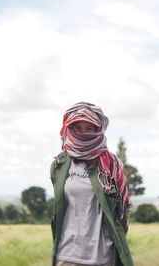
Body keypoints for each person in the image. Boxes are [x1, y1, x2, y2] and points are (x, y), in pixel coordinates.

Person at [50, 102, 134, 266]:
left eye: (89, 128)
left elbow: (123, 210)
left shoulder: (111, 164)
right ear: (70, 128)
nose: (83, 132)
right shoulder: (59, 164)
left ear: (98, 130)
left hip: (103, 256)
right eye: (78, 127)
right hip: (67, 255)